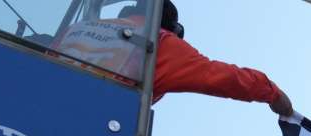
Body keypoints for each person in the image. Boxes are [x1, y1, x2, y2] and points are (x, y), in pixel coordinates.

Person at [53, 1, 292, 116]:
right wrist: (272, 93)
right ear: (170, 26)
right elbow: (219, 77)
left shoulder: (76, 28)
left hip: (38, 106)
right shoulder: (159, 41)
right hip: (94, 124)